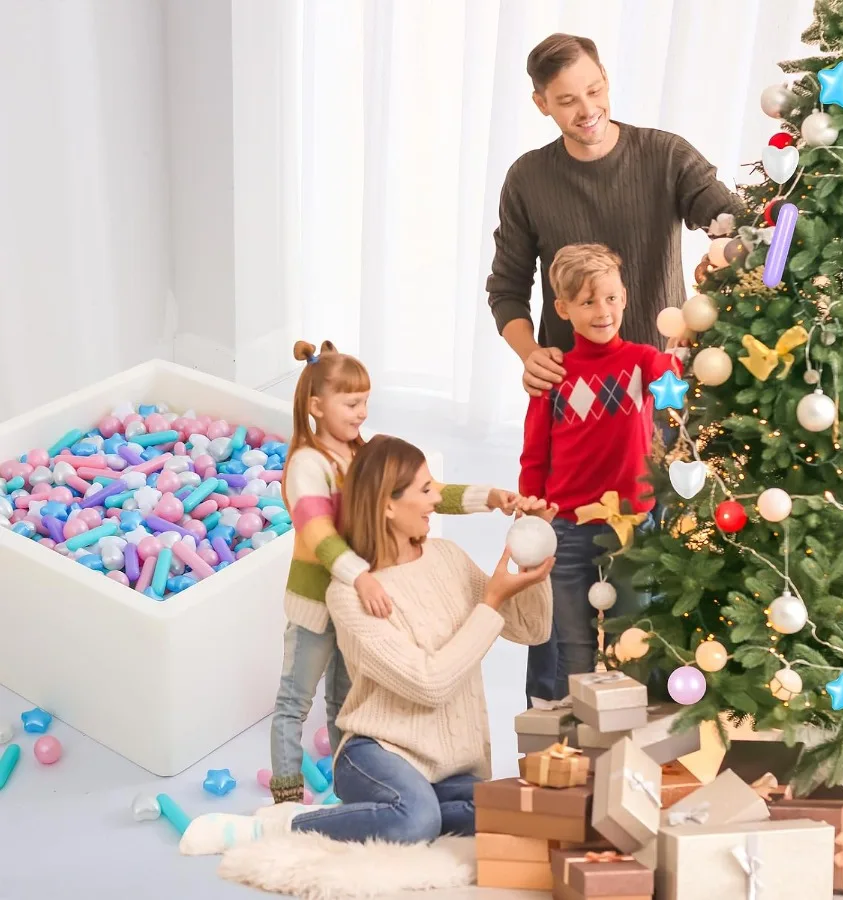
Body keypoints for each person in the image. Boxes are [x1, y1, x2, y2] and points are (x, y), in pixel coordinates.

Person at [180, 435, 555, 854]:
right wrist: (492, 601)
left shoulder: (448, 556)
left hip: (449, 764)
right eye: (426, 490)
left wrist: (532, 565)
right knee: (417, 821)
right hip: (378, 753)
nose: (437, 500)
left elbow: (531, 631)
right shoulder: (350, 596)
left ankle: (406, 807)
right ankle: (287, 826)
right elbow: (429, 682)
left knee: (507, 814)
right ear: (388, 505)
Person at [269, 341, 523, 804]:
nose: (363, 412)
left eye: (366, 400)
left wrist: (487, 496)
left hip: (358, 605)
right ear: (316, 406)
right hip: (321, 600)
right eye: (352, 403)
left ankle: (354, 787)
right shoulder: (307, 464)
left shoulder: (359, 454)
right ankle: (285, 800)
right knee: (294, 700)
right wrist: (361, 577)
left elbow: (423, 491)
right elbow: (317, 533)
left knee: (346, 699)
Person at [487, 32, 740, 398]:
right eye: (567, 101)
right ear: (541, 103)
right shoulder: (527, 179)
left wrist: (718, 273)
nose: (588, 110)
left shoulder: (667, 156)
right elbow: (506, 289)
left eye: (593, 90)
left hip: (664, 383)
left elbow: (740, 226)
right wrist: (532, 355)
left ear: (605, 77)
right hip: (575, 391)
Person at [518, 243, 683, 703]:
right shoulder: (553, 376)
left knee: (633, 643)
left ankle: (629, 754)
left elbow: (678, 388)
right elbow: (534, 457)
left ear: (625, 297)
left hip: (632, 525)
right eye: (588, 302)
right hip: (567, 531)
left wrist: (687, 347)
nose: (602, 311)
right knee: (574, 650)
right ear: (564, 308)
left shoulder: (643, 361)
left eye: (610, 298)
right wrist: (532, 519)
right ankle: (577, 755)